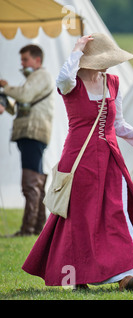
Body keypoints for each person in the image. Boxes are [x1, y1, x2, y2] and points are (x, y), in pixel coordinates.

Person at [22, 33, 133, 291]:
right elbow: (62, 78)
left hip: (110, 158)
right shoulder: (71, 84)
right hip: (78, 158)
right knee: (79, 219)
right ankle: (75, 278)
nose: (106, 66)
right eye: (100, 60)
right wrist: (77, 49)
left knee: (118, 211)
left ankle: (126, 275)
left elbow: (117, 125)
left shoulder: (113, 83)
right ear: (85, 61)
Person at [0, 44, 54, 236]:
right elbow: (22, 105)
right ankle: (38, 227)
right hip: (32, 134)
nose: (22, 64)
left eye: (25, 59)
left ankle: (28, 229)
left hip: (33, 133)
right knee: (37, 180)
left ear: (37, 60)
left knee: (30, 183)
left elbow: (25, 95)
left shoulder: (40, 76)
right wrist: (5, 104)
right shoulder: (34, 78)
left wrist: (5, 87)